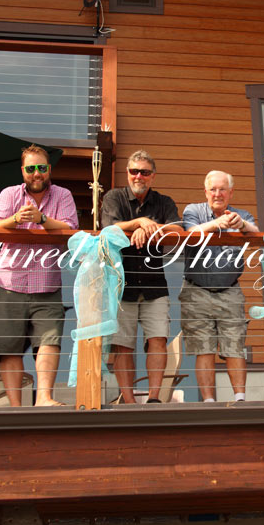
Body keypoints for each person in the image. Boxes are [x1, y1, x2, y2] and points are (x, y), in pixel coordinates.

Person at [0, 144, 78, 407]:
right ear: (23, 171)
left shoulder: (63, 194)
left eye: (41, 167)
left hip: (47, 282)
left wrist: (42, 219)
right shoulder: (9, 194)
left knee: (49, 340)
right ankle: (15, 408)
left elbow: (70, 228)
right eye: (31, 169)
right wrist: (15, 219)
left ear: (49, 169)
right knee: (9, 346)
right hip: (8, 282)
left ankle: (44, 398)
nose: (36, 173)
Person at [101, 150, 182, 404]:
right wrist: (139, 222)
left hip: (154, 284)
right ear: (127, 173)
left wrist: (151, 228)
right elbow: (108, 227)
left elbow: (178, 229)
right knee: (122, 345)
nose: (139, 176)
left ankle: (154, 398)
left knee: (158, 339)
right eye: (134, 171)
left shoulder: (164, 201)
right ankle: (128, 401)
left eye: (144, 172)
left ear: (153, 176)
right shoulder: (114, 197)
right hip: (121, 284)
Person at [180, 170, 259, 402]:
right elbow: (190, 232)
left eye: (222, 189)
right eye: (213, 189)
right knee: (203, 347)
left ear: (231, 192)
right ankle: (208, 402)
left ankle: (240, 399)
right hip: (196, 290)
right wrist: (216, 223)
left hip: (230, 289)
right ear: (205, 192)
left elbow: (256, 233)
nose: (217, 194)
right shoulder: (193, 210)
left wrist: (242, 224)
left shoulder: (242, 215)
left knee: (235, 346)